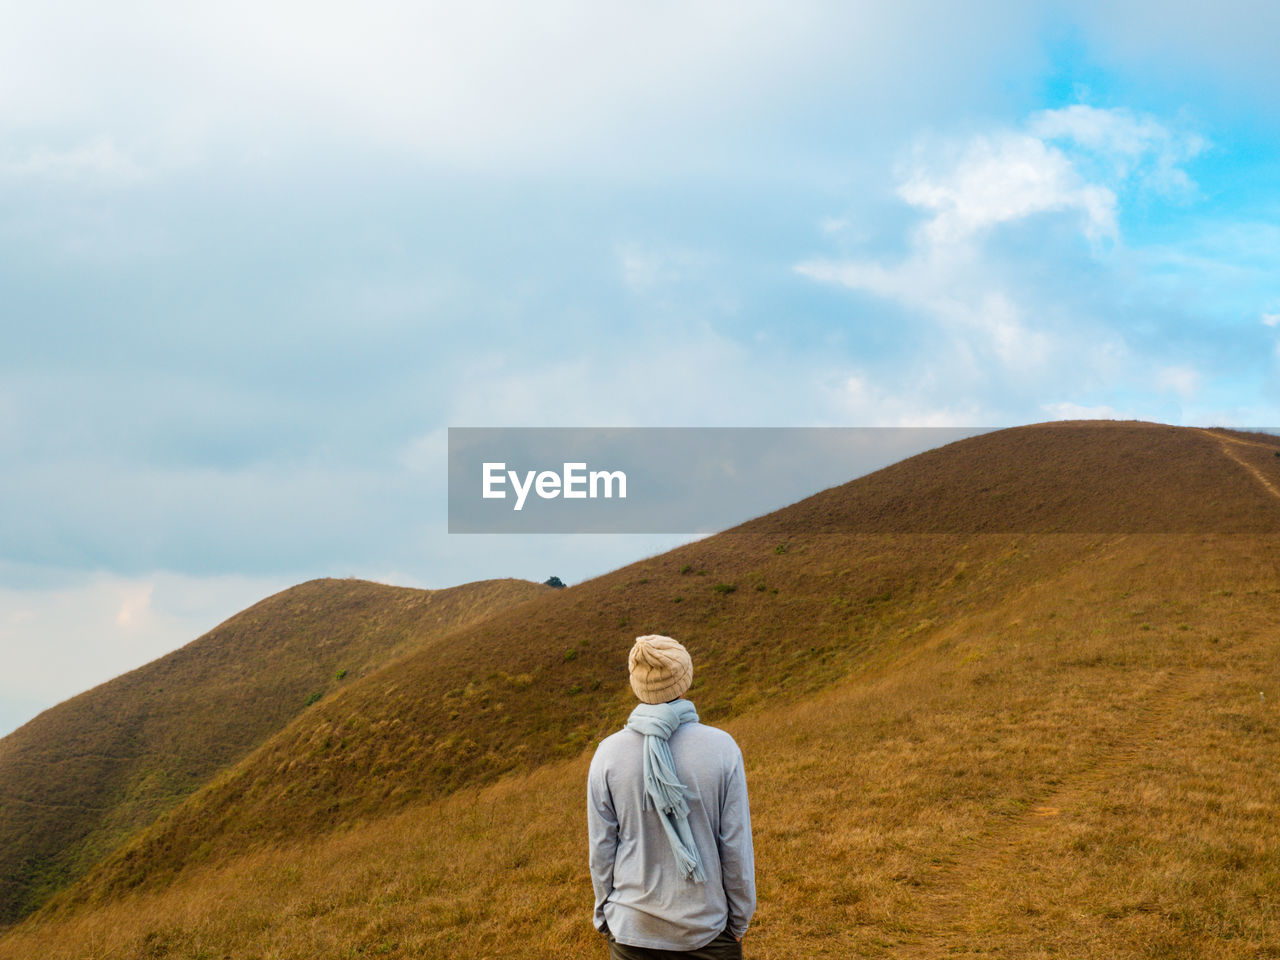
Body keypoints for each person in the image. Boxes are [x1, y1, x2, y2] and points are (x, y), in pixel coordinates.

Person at [587, 634, 756, 959]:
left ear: (638, 686)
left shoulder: (607, 754)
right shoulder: (721, 748)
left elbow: (601, 851)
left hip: (631, 931)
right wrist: (738, 922)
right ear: (684, 680)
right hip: (706, 931)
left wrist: (605, 917)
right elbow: (735, 847)